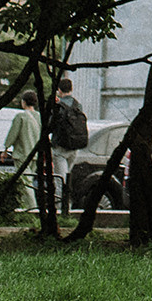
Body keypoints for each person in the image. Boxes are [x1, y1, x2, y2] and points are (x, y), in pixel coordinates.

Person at [47, 76, 87, 208]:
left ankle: (61, 209)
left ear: (58, 90)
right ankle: (66, 207)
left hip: (60, 148)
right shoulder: (78, 105)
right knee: (67, 179)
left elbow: (50, 125)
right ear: (71, 89)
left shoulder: (59, 105)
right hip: (74, 148)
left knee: (60, 180)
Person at [2, 91, 44, 213]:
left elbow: (13, 135)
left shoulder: (20, 117)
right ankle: (25, 207)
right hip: (35, 155)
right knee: (29, 180)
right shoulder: (39, 117)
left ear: (23, 102)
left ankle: (32, 209)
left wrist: (6, 149)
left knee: (25, 182)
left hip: (22, 153)